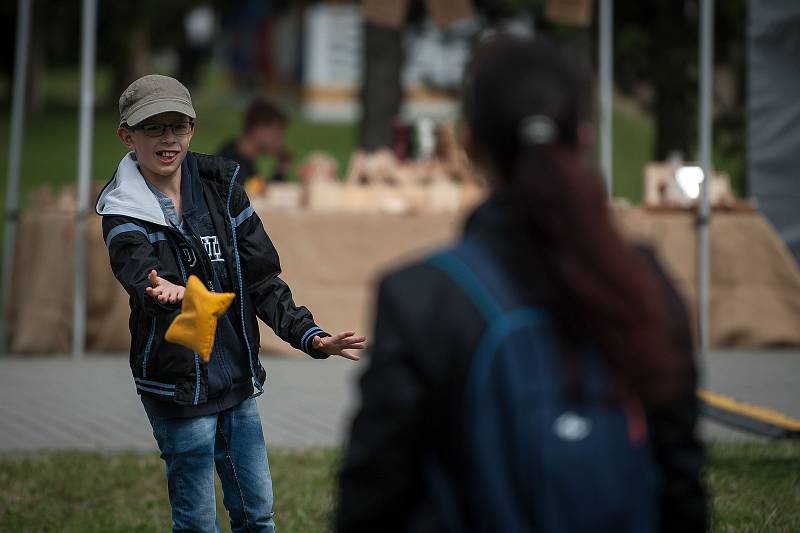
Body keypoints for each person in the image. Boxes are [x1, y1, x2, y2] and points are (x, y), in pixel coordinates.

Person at [336, 36, 706, 533]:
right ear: (584, 137)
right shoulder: (647, 283)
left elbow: (372, 499)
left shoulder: (421, 297)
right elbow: (681, 487)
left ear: (469, 144)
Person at [96, 74, 365, 533]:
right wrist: (163, 295)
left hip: (237, 380)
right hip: (177, 388)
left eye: (177, 126)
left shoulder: (222, 188)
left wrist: (310, 335)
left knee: (257, 516)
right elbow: (141, 275)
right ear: (127, 135)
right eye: (153, 127)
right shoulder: (123, 208)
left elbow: (262, 281)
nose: (167, 139)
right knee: (199, 524)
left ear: (192, 129)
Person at [217, 98, 292, 186]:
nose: (281, 141)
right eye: (277, 133)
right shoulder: (232, 169)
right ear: (258, 130)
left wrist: (280, 172)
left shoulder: (239, 159)